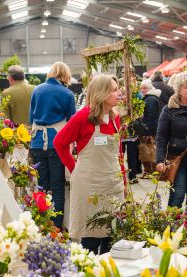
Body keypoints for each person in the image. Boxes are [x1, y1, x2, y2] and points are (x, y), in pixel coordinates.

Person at [54, 74, 125, 254]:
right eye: (115, 90)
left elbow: (118, 152)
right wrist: (74, 168)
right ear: (102, 93)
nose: (119, 93)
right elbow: (59, 143)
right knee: (91, 235)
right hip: (90, 185)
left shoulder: (115, 117)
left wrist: (123, 178)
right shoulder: (83, 117)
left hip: (113, 184)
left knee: (113, 234)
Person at [29, 62, 76, 228]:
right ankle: (56, 225)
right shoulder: (67, 94)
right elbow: (72, 122)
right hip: (57, 143)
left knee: (41, 185)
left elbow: (31, 118)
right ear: (65, 75)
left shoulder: (37, 90)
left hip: (36, 142)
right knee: (57, 186)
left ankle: (42, 220)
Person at [156, 72, 187, 214]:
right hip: (177, 159)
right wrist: (159, 160)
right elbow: (161, 137)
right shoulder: (169, 109)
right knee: (177, 195)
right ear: (179, 90)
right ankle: (172, 231)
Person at [138, 79, 161, 176]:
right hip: (150, 128)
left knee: (149, 151)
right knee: (149, 150)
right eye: (142, 88)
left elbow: (150, 117)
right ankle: (150, 172)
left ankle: (150, 172)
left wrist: (146, 129)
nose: (143, 90)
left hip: (149, 129)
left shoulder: (150, 99)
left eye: (145, 88)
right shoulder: (149, 98)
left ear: (150, 88)